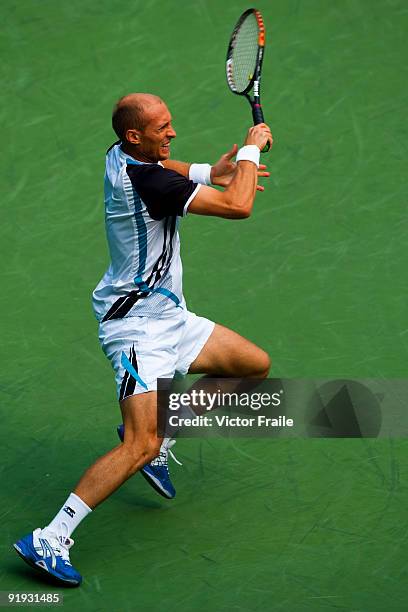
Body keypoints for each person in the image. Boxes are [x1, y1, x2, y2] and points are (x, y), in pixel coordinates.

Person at [13, 93, 273, 587]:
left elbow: (164, 165)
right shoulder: (151, 181)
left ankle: (162, 438)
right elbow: (240, 206)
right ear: (136, 135)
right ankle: (50, 537)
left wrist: (201, 171)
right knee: (139, 442)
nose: (172, 133)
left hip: (169, 316)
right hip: (136, 329)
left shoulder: (124, 155)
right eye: (162, 128)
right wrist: (249, 151)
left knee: (251, 366)